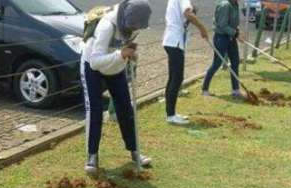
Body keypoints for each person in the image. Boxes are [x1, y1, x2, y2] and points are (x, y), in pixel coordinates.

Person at [81, 0, 152, 174]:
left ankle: (135, 150)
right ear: (125, 19)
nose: (135, 30)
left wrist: (132, 54)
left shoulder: (135, 26)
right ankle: (92, 155)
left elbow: (129, 47)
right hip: (92, 66)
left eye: (138, 27)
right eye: (133, 26)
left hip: (116, 67)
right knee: (95, 110)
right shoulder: (107, 26)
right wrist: (120, 54)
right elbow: (96, 62)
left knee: (125, 109)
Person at [162, 1, 208, 125]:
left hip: (172, 40)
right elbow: (188, 14)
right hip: (174, 41)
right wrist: (202, 28)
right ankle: (170, 115)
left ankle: (170, 113)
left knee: (173, 78)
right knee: (177, 78)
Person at [201, 0, 244, 99]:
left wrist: (237, 32)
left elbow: (234, 23)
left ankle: (235, 90)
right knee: (217, 63)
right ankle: (205, 89)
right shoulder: (225, 5)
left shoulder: (235, 4)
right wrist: (236, 34)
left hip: (231, 37)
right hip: (221, 38)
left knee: (235, 62)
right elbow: (222, 24)